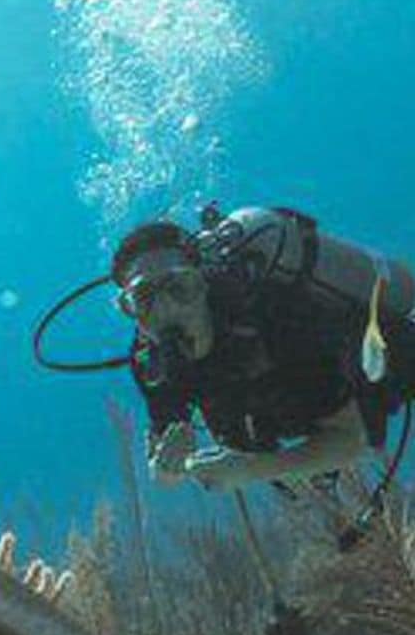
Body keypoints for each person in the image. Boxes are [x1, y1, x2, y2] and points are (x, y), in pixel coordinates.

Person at [111, 205, 415, 496]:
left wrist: (253, 469)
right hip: (284, 407)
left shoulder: (273, 318)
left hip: (376, 362)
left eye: (179, 287)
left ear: (203, 284)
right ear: (131, 314)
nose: (166, 310)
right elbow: (160, 466)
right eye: (143, 299)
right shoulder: (151, 365)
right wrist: (166, 470)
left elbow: (352, 438)